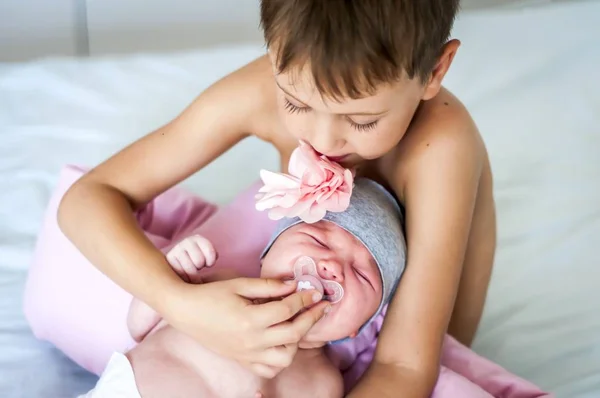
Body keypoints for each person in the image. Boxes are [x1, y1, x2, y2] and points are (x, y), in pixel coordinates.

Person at [55, 1, 496, 396]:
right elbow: (88, 199)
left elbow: (404, 365)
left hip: (410, 336)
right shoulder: (266, 84)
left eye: (362, 120)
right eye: (297, 104)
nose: (324, 138)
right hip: (294, 299)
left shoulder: (440, 146)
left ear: (436, 71)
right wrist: (183, 306)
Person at [79, 178, 406, 398]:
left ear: (357, 329)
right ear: (268, 254)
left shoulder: (323, 382)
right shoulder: (224, 286)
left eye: (362, 275)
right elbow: (138, 327)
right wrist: (174, 272)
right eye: (317, 239)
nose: (332, 267)